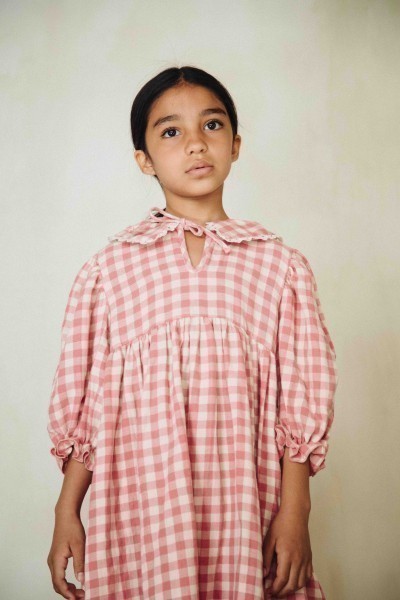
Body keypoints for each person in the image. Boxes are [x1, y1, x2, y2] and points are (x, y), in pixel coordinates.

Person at [46, 65, 338, 600]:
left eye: (212, 124)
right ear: (144, 159)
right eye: (171, 131)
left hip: (246, 509)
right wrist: (67, 510)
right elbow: (86, 408)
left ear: (236, 144)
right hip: (142, 511)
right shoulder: (110, 270)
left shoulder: (279, 267)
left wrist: (296, 512)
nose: (197, 143)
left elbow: (300, 401)